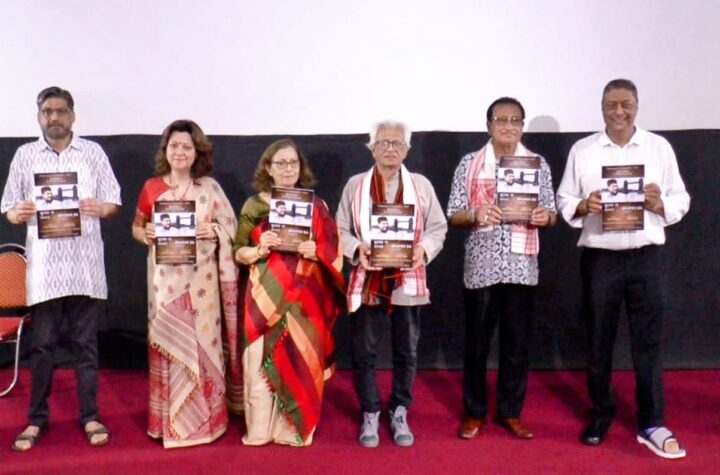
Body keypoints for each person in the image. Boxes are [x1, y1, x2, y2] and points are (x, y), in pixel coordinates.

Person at [556, 79, 690, 459]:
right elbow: (564, 198)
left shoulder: (658, 147)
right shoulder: (583, 150)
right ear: (601, 108)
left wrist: (660, 204)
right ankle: (601, 414)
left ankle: (652, 422)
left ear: (637, 106)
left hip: (646, 256)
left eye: (626, 104)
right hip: (600, 257)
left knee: (648, 342)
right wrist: (584, 205)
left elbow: (681, 198)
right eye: (611, 105)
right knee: (599, 341)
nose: (619, 112)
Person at [1, 86, 121, 451]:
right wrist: (18, 212)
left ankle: (91, 416)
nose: (54, 117)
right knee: (42, 349)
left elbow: (113, 202)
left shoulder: (93, 153)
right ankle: (36, 419)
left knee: (86, 347)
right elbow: (9, 208)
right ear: (39, 116)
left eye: (60, 111)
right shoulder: (24, 155)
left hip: (84, 268)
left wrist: (100, 208)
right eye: (47, 111)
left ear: (72, 115)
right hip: (45, 271)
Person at [447, 97, 556, 441]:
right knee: (477, 344)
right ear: (488, 126)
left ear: (522, 126)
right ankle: (474, 412)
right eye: (501, 120)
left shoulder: (537, 164)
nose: (508, 126)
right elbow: (453, 214)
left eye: (515, 120)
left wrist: (544, 217)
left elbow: (552, 213)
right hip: (482, 265)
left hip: (521, 266)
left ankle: (510, 411)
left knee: (516, 343)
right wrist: (476, 214)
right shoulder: (470, 163)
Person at [336, 120, 447, 448]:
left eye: (397, 143)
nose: (390, 149)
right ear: (371, 148)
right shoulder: (356, 185)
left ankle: (399, 409)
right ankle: (370, 411)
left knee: (406, 352)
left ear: (407, 150)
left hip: (408, 278)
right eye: (383, 143)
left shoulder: (420, 185)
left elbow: (437, 227)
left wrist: (422, 250)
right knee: (364, 352)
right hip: (367, 277)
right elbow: (340, 229)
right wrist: (357, 249)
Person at [131, 119, 241, 448]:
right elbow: (136, 228)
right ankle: (170, 424)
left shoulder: (209, 188)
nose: (179, 152)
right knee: (170, 348)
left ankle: (206, 424)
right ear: (165, 150)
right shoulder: (152, 187)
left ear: (197, 152)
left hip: (202, 286)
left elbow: (232, 227)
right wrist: (146, 233)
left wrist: (215, 231)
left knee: (203, 347)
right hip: (165, 285)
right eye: (174, 146)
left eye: (186, 147)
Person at [234, 138, 345, 447]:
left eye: (293, 163)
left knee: (300, 357)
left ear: (300, 168)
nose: (287, 169)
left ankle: (294, 429)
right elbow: (237, 252)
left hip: (304, 298)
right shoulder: (254, 206)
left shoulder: (317, 206)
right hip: (264, 297)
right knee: (258, 361)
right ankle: (259, 429)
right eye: (280, 163)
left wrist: (316, 250)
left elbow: (334, 250)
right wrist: (259, 248)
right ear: (268, 169)